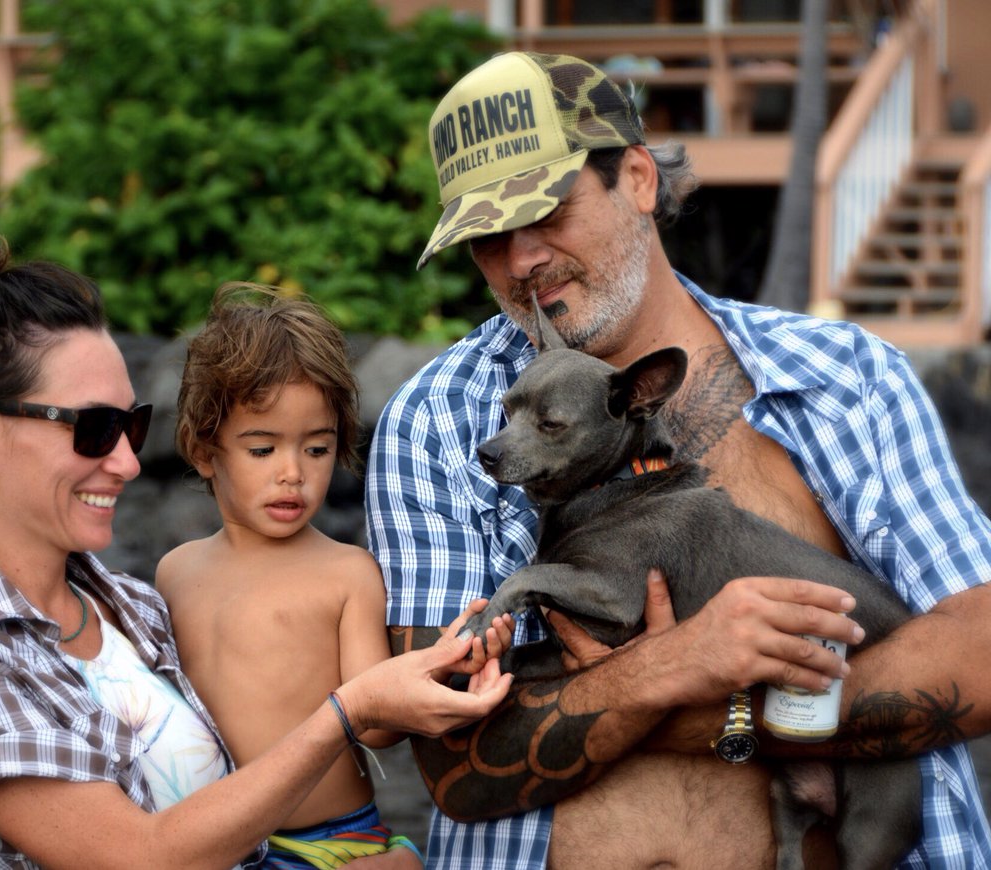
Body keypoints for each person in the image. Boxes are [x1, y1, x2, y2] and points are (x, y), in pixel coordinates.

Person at [365, 51, 991, 868]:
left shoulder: (843, 377)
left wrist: (716, 706)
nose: (521, 261)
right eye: (486, 238)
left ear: (637, 178)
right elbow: (456, 764)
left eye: (549, 212)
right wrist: (671, 666)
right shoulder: (438, 423)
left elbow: (977, 647)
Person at [0, 226, 514, 869]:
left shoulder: (137, 608)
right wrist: (350, 712)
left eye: (131, 424)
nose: (127, 461)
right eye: (94, 428)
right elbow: (142, 856)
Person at [157, 282, 514, 868]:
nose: (293, 473)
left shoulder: (346, 572)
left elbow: (376, 724)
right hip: (218, 840)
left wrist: (448, 661)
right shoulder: (175, 571)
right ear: (203, 450)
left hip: (333, 844)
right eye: (262, 449)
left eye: (316, 450)